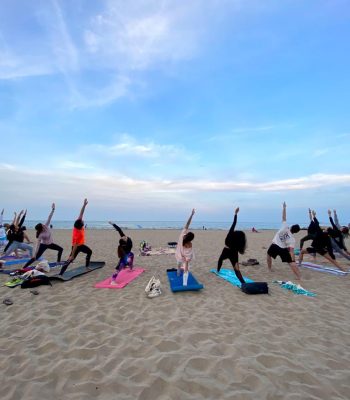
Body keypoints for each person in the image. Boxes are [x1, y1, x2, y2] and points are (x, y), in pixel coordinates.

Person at [267, 202, 301, 280]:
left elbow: (283, 216)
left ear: (292, 227)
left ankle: (269, 268)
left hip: (275, 245)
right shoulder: (292, 239)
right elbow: (291, 251)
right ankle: (299, 276)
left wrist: (284, 207)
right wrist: (293, 260)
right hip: (283, 249)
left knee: (268, 255)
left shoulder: (285, 226)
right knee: (291, 263)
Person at [22, 203, 63, 268]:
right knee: (35, 257)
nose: (43, 225)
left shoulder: (46, 226)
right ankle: (24, 267)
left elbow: (50, 217)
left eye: (42, 224)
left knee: (61, 249)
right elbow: (38, 245)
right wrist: (35, 254)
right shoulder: (41, 235)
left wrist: (53, 209)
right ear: (41, 229)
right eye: (42, 226)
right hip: (43, 245)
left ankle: (58, 262)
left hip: (50, 244)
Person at [59, 199, 92, 275]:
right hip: (76, 247)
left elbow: (81, 213)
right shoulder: (78, 233)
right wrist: (72, 255)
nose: (83, 220)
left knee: (89, 252)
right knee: (70, 259)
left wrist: (84, 205)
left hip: (81, 245)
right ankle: (61, 273)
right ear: (81, 225)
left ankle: (87, 266)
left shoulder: (77, 224)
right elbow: (75, 245)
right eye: (82, 221)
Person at [217, 207, 246, 284]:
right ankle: (243, 283)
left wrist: (235, 213)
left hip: (226, 251)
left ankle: (218, 271)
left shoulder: (230, 233)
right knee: (237, 270)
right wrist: (236, 214)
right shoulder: (237, 243)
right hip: (234, 253)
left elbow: (234, 223)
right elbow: (234, 223)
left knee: (220, 260)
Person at [175, 209, 195, 286]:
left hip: (179, 254)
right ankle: (184, 283)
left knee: (179, 263)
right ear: (191, 239)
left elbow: (187, 223)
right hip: (185, 257)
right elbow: (188, 256)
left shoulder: (182, 234)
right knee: (186, 269)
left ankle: (178, 271)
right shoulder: (189, 245)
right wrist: (186, 262)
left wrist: (192, 214)